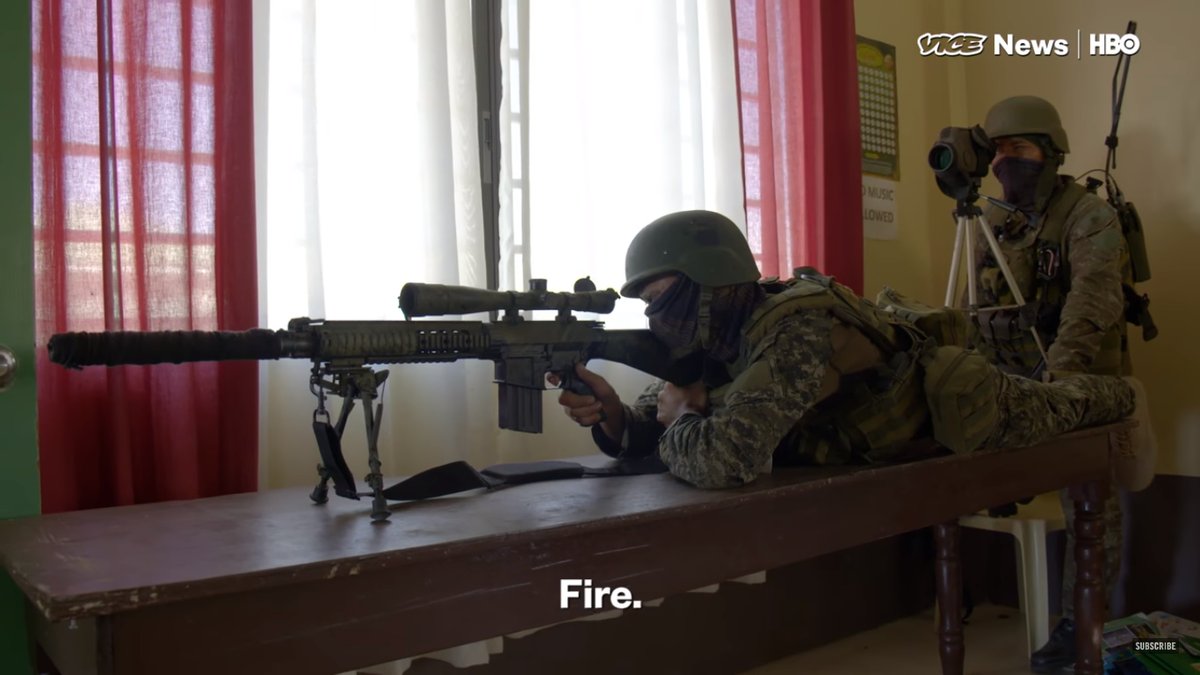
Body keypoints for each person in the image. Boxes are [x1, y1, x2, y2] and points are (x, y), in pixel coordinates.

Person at [552, 209, 1134, 494]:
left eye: (662, 299)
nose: (656, 318)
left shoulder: (794, 328)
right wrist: (617, 418)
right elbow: (669, 415)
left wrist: (680, 418)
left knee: (1076, 403)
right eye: (648, 306)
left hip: (954, 407)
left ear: (709, 283)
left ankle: (1130, 393)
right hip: (866, 439)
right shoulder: (716, 336)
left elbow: (726, 460)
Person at [973, 95, 1134, 672]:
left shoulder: (1088, 217)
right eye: (996, 151)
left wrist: (1057, 386)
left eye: (1019, 149)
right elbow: (978, 309)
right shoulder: (992, 220)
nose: (1005, 162)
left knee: (1093, 505)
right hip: (1015, 381)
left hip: (1082, 383)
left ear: (1051, 152)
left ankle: (1083, 620)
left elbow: (1092, 305)